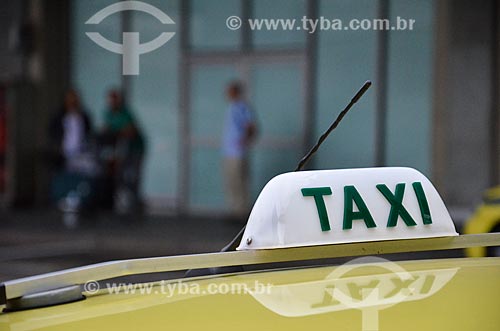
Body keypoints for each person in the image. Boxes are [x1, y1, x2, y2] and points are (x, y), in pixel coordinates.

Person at [101, 89, 145, 213]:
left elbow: (130, 132)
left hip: (135, 149)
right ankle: (120, 202)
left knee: (133, 176)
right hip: (120, 150)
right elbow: (107, 129)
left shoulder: (125, 114)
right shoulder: (109, 114)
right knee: (119, 175)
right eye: (110, 100)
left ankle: (134, 205)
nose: (112, 103)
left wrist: (117, 132)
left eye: (115, 100)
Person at [222, 81, 258, 219]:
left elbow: (251, 126)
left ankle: (241, 211)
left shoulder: (241, 107)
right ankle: (234, 210)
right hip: (230, 151)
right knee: (231, 181)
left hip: (237, 152)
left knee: (239, 182)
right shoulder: (232, 107)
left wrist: (244, 142)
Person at [49, 89, 93, 173]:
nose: (72, 103)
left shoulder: (83, 117)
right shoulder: (59, 117)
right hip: (64, 154)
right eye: (70, 100)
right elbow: (53, 133)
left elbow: (88, 133)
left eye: (74, 100)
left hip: (81, 153)